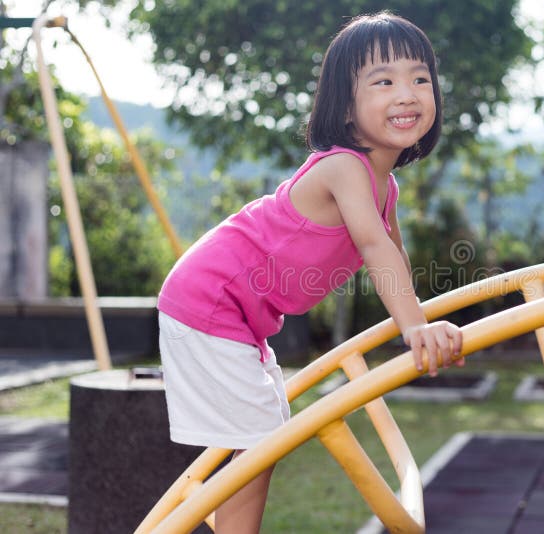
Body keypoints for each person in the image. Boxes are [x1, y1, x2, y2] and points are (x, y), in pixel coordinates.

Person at [157, 11, 464, 533]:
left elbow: (395, 259)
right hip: (212, 300)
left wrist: (419, 321)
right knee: (258, 441)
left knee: (265, 432)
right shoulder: (344, 167)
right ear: (345, 107)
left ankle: (212, 508)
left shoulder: (384, 188)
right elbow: (373, 247)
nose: (407, 93)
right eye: (383, 82)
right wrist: (414, 327)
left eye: (419, 78)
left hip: (242, 316)